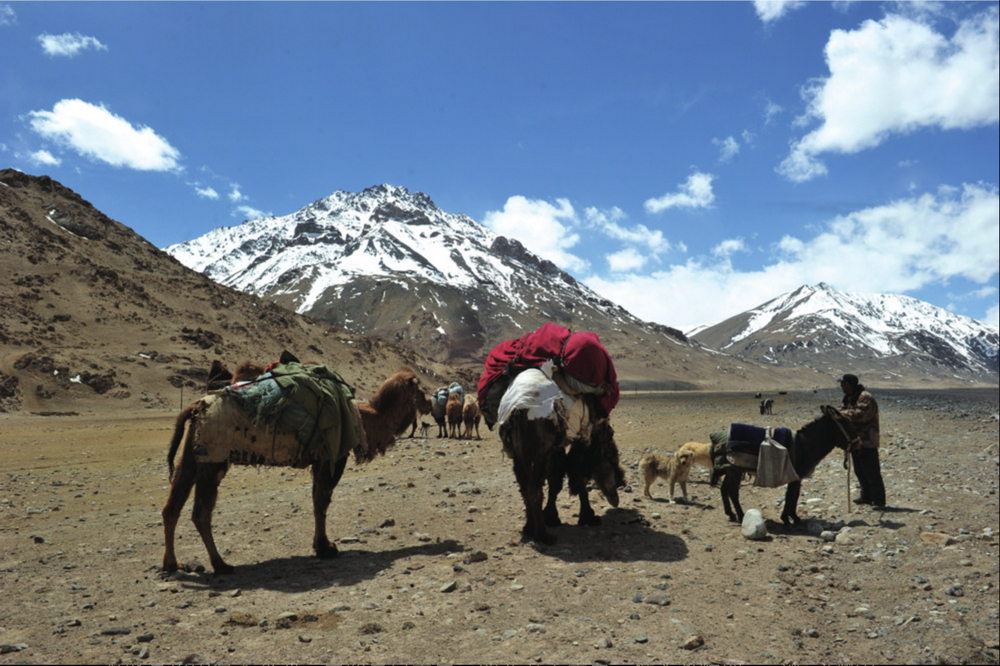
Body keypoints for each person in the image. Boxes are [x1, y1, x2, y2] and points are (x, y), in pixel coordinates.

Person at [839, 373, 886, 509]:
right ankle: (866, 496)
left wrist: (841, 414)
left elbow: (860, 416)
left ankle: (879, 500)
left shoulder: (865, 397)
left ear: (848, 384)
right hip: (855, 441)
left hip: (867, 440)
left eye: (842, 383)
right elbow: (845, 410)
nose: (841, 386)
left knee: (871, 471)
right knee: (859, 470)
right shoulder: (849, 397)